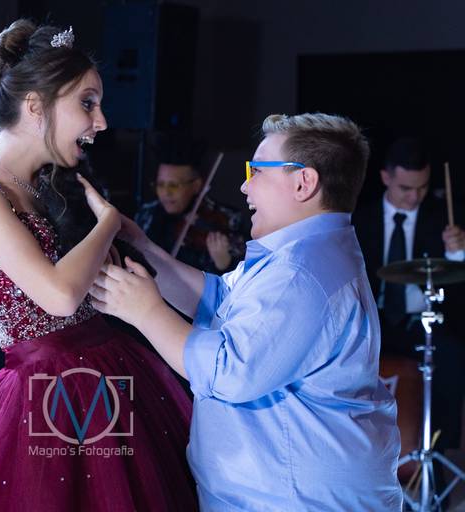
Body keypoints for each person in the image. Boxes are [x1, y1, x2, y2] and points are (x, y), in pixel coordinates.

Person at [0, 20, 197, 511]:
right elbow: (59, 296)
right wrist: (107, 223)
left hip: (108, 367)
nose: (101, 122)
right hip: (46, 388)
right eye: (87, 103)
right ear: (36, 105)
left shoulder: (44, 185)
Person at [91, 113, 403, 510]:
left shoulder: (301, 273)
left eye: (256, 170)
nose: (244, 185)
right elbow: (222, 299)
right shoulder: (305, 251)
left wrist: (146, 312)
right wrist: (145, 249)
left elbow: (229, 372)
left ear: (303, 183)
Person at [353, 137, 465, 456]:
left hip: (421, 323)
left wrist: (458, 254)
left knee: (452, 356)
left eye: (422, 188)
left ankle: (437, 453)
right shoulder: (360, 219)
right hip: (374, 322)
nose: (414, 196)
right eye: (405, 188)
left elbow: (456, 290)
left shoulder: (445, 218)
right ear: (385, 177)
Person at [134, 136, 247, 274]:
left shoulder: (228, 219)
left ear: (196, 185)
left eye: (174, 185)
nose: (166, 192)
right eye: (160, 184)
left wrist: (225, 265)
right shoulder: (147, 214)